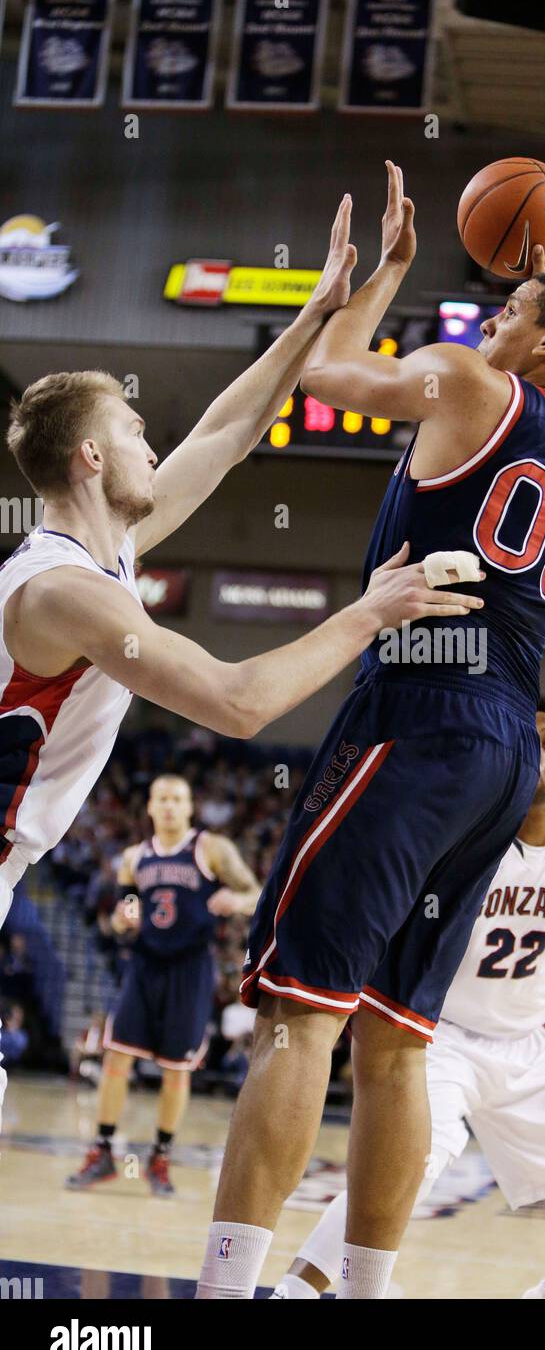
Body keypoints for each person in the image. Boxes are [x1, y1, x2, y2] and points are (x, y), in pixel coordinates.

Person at [197, 163, 545, 1300]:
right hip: (499, 746)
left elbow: (328, 372)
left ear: (542, 347)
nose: (487, 319)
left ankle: (227, 1291)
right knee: (395, 1043)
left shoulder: (459, 381)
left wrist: (380, 272)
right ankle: (366, 1294)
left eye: (506, 313)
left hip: (417, 710)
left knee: (299, 1019)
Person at [0, 195, 477, 1124]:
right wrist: (370, 613)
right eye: (136, 430)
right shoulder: (67, 591)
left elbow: (227, 435)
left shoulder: (106, 552)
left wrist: (330, 305)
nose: (153, 441)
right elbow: (239, 701)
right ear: (93, 457)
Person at [270, 702, 545, 1301]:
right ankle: (297, 1292)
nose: (534, 749)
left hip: (528, 1051)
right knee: (405, 1168)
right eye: (521, 739)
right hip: (435, 1037)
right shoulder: (462, 832)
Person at [66, 774, 260, 1195]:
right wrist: (120, 920)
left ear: (189, 807)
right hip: (144, 964)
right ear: (150, 807)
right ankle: (101, 1152)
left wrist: (238, 901)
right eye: (162, 799)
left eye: (177, 799)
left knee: (176, 1070)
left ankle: (160, 1158)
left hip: (192, 968)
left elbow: (255, 892)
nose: (170, 806)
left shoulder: (211, 848)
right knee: (117, 1057)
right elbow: (124, 909)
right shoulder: (134, 858)